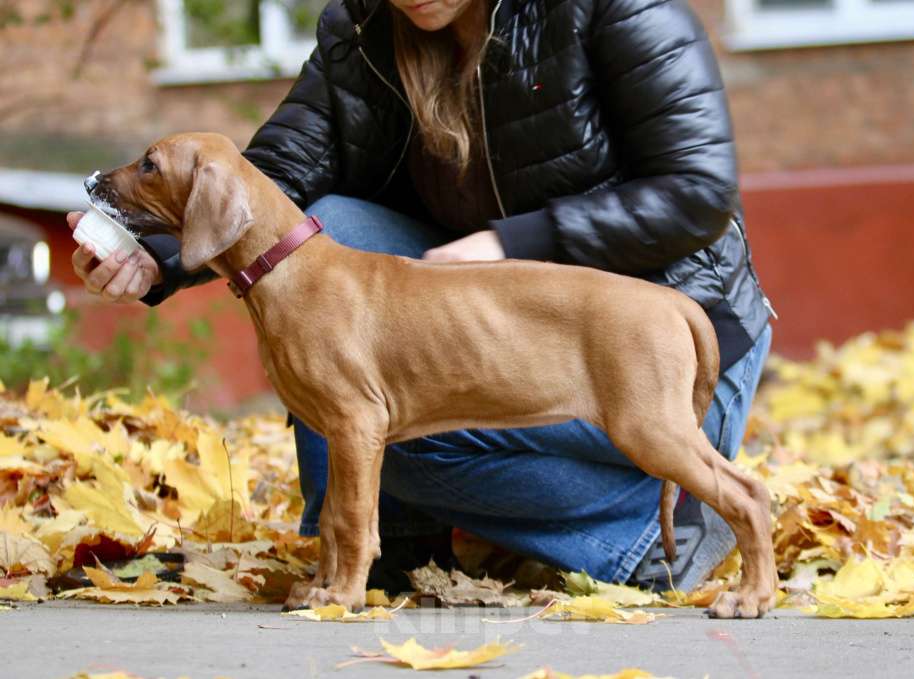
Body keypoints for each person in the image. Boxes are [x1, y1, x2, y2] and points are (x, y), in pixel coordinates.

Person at [68, 0, 775, 593]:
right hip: (491, 314)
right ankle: (390, 549)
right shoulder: (364, 27)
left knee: (365, 428)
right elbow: (267, 184)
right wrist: (156, 256)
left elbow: (698, 190)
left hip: (655, 335)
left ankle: (646, 526)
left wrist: (514, 242)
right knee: (336, 322)